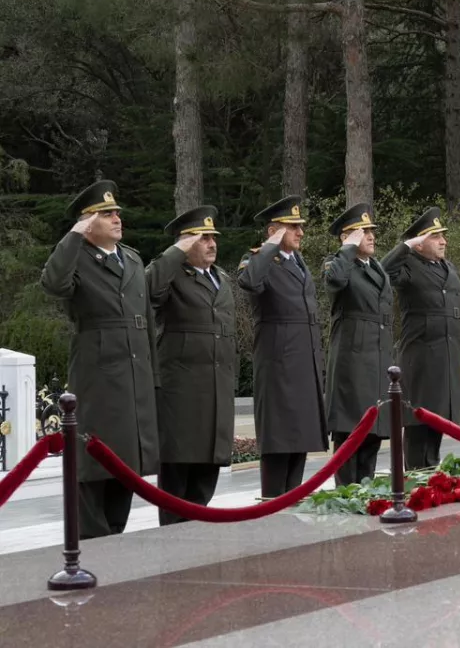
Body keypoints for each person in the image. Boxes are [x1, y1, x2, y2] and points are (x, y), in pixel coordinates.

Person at [39, 180, 158, 539]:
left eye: (117, 212)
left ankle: (114, 538)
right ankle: (92, 541)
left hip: (134, 373)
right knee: (93, 464)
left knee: (125, 464)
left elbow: (147, 321)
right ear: (88, 222)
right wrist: (74, 235)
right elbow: (53, 283)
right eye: (106, 214)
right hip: (98, 375)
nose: (117, 218)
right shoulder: (75, 257)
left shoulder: (132, 258)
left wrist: (152, 378)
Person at [146, 205, 236, 525]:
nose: (212, 244)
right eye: (203, 238)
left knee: (205, 478)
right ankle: (172, 541)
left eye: (213, 238)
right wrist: (175, 252)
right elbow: (146, 290)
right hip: (181, 393)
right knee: (177, 477)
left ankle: (196, 537)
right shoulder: (170, 275)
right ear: (185, 243)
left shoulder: (221, 278)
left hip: (216, 390)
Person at [237, 195, 327, 497]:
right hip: (278, 364)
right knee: (279, 442)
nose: (301, 232)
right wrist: (270, 246)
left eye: (301, 226)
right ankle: (273, 505)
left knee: (299, 439)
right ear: (273, 230)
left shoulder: (298, 262)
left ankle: (292, 502)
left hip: (303, 362)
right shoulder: (258, 259)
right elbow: (249, 282)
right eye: (293, 227)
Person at [383, 207, 460, 470]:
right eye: (435, 237)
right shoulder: (408, 266)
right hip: (421, 358)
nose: (443, 241)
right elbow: (383, 272)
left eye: (443, 236)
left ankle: (431, 476)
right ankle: (417, 478)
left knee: (437, 424)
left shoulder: (447, 267)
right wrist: (405, 247)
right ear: (419, 244)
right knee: (419, 424)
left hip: (446, 357)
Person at [323, 203, 393, 486]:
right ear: (347, 237)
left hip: (377, 359)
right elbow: (335, 281)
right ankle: (346, 495)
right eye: (363, 232)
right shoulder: (337, 263)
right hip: (352, 362)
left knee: (372, 433)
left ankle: (366, 492)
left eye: (372, 231)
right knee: (350, 432)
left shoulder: (375, 267)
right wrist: (347, 248)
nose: (371, 236)